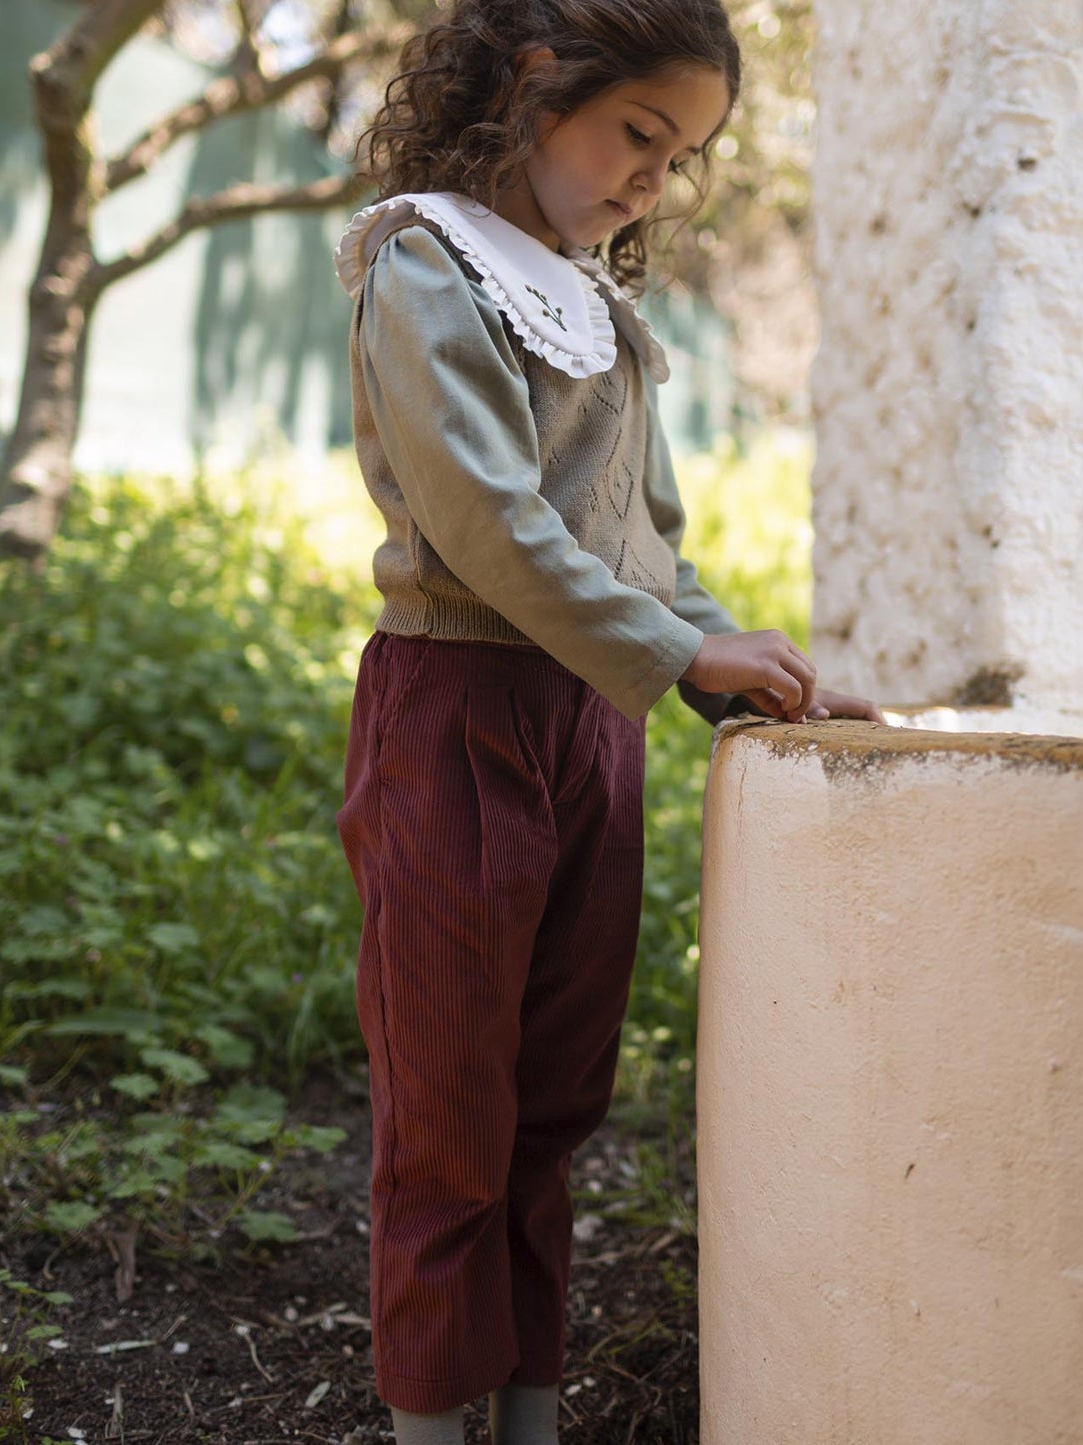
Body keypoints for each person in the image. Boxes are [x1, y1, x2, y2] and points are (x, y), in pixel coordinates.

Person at [333, 2, 885, 1439]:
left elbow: (639, 542)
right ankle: (426, 1419)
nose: (652, 179)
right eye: (639, 134)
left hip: (593, 723)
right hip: (456, 715)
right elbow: (488, 527)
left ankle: (527, 1415)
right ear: (532, 79)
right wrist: (675, 650)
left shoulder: (593, 302)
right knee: (449, 1105)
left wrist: (738, 658)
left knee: (553, 1096)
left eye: (681, 155)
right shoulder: (424, 257)